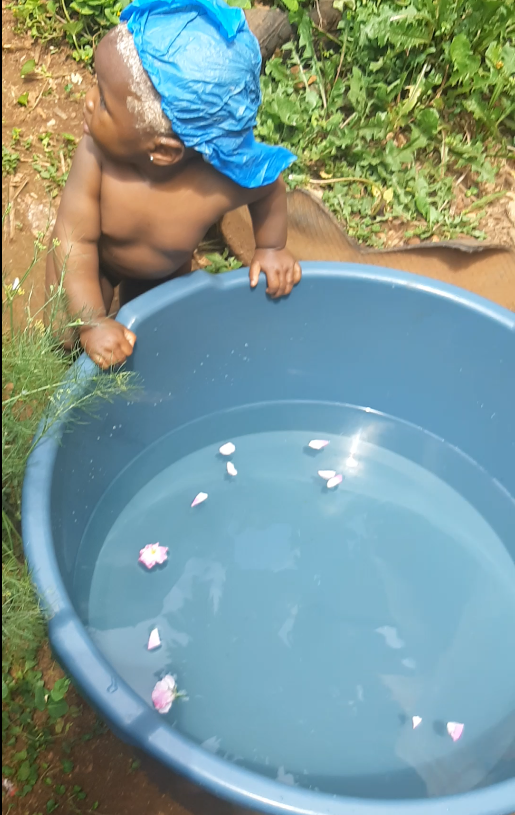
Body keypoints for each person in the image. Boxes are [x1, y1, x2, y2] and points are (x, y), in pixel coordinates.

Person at [47, 0, 301, 370]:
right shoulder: (95, 156)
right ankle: (63, 367)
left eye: (103, 102)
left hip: (161, 272)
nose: (87, 101)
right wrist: (91, 321)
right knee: (66, 331)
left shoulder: (220, 180)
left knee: (153, 337)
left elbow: (269, 188)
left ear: (164, 151)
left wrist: (271, 247)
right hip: (94, 261)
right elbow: (73, 239)